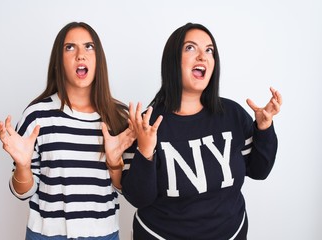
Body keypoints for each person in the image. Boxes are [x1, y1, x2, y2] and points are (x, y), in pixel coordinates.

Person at [121, 22, 283, 240]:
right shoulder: (146, 125)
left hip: (232, 233)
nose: (203, 56)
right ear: (172, 61)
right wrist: (146, 151)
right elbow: (139, 198)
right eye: (190, 48)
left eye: (209, 50)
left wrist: (264, 127)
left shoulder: (233, 114)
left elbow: (259, 171)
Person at [0, 22, 135, 240]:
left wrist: (114, 163)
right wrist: (23, 166)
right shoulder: (37, 115)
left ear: (99, 59)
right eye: (70, 47)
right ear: (58, 62)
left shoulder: (119, 118)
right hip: (46, 235)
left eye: (89, 46)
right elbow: (23, 191)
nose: (81, 55)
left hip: (103, 234)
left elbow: (126, 189)